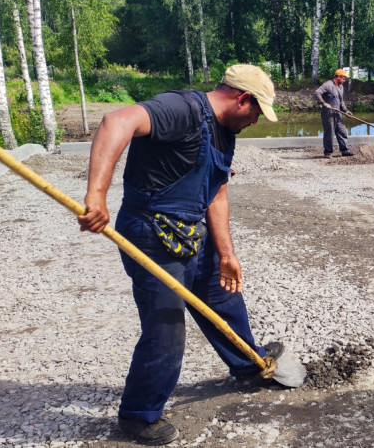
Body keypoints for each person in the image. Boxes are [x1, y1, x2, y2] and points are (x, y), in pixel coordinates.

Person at [77, 64, 285, 446]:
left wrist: (226, 252)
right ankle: (139, 415)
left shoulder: (225, 133)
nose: (257, 120)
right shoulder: (182, 109)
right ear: (242, 98)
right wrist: (96, 195)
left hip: (192, 231)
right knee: (166, 327)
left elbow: (216, 192)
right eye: (257, 112)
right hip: (152, 235)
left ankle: (247, 363)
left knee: (224, 297)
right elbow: (116, 121)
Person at [315, 69, 355, 158]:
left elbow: (341, 101)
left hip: (338, 113)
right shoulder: (328, 84)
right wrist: (324, 103)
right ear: (339, 77)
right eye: (344, 78)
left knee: (342, 131)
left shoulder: (341, 87)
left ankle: (345, 150)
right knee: (329, 133)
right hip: (328, 113)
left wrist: (346, 111)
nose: (345, 80)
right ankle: (328, 152)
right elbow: (317, 93)